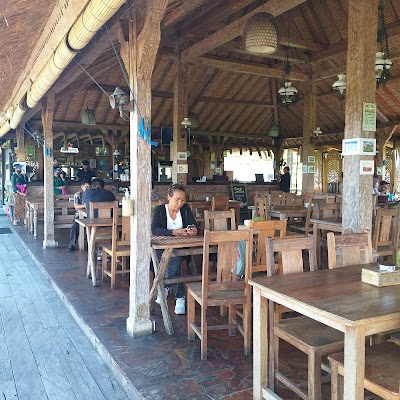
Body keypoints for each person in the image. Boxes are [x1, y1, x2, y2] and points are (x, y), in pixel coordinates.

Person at [151, 183, 198, 315]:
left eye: (183, 200)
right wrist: (173, 232)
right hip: (162, 248)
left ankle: (165, 287)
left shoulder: (185, 209)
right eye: (177, 199)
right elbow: (155, 230)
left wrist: (193, 229)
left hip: (182, 247)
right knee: (173, 256)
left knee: (175, 255)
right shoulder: (160, 210)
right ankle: (180, 297)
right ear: (169, 197)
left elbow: (193, 224)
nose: (180, 203)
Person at [67, 179, 91, 252]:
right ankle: (72, 244)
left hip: (90, 214)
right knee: (75, 226)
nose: (88, 189)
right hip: (79, 215)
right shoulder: (78, 194)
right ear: (82, 187)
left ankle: (92, 244)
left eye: (89, 187)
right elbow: (76, 206)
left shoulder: (92, 194)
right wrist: (86, 205)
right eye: (86, 187)